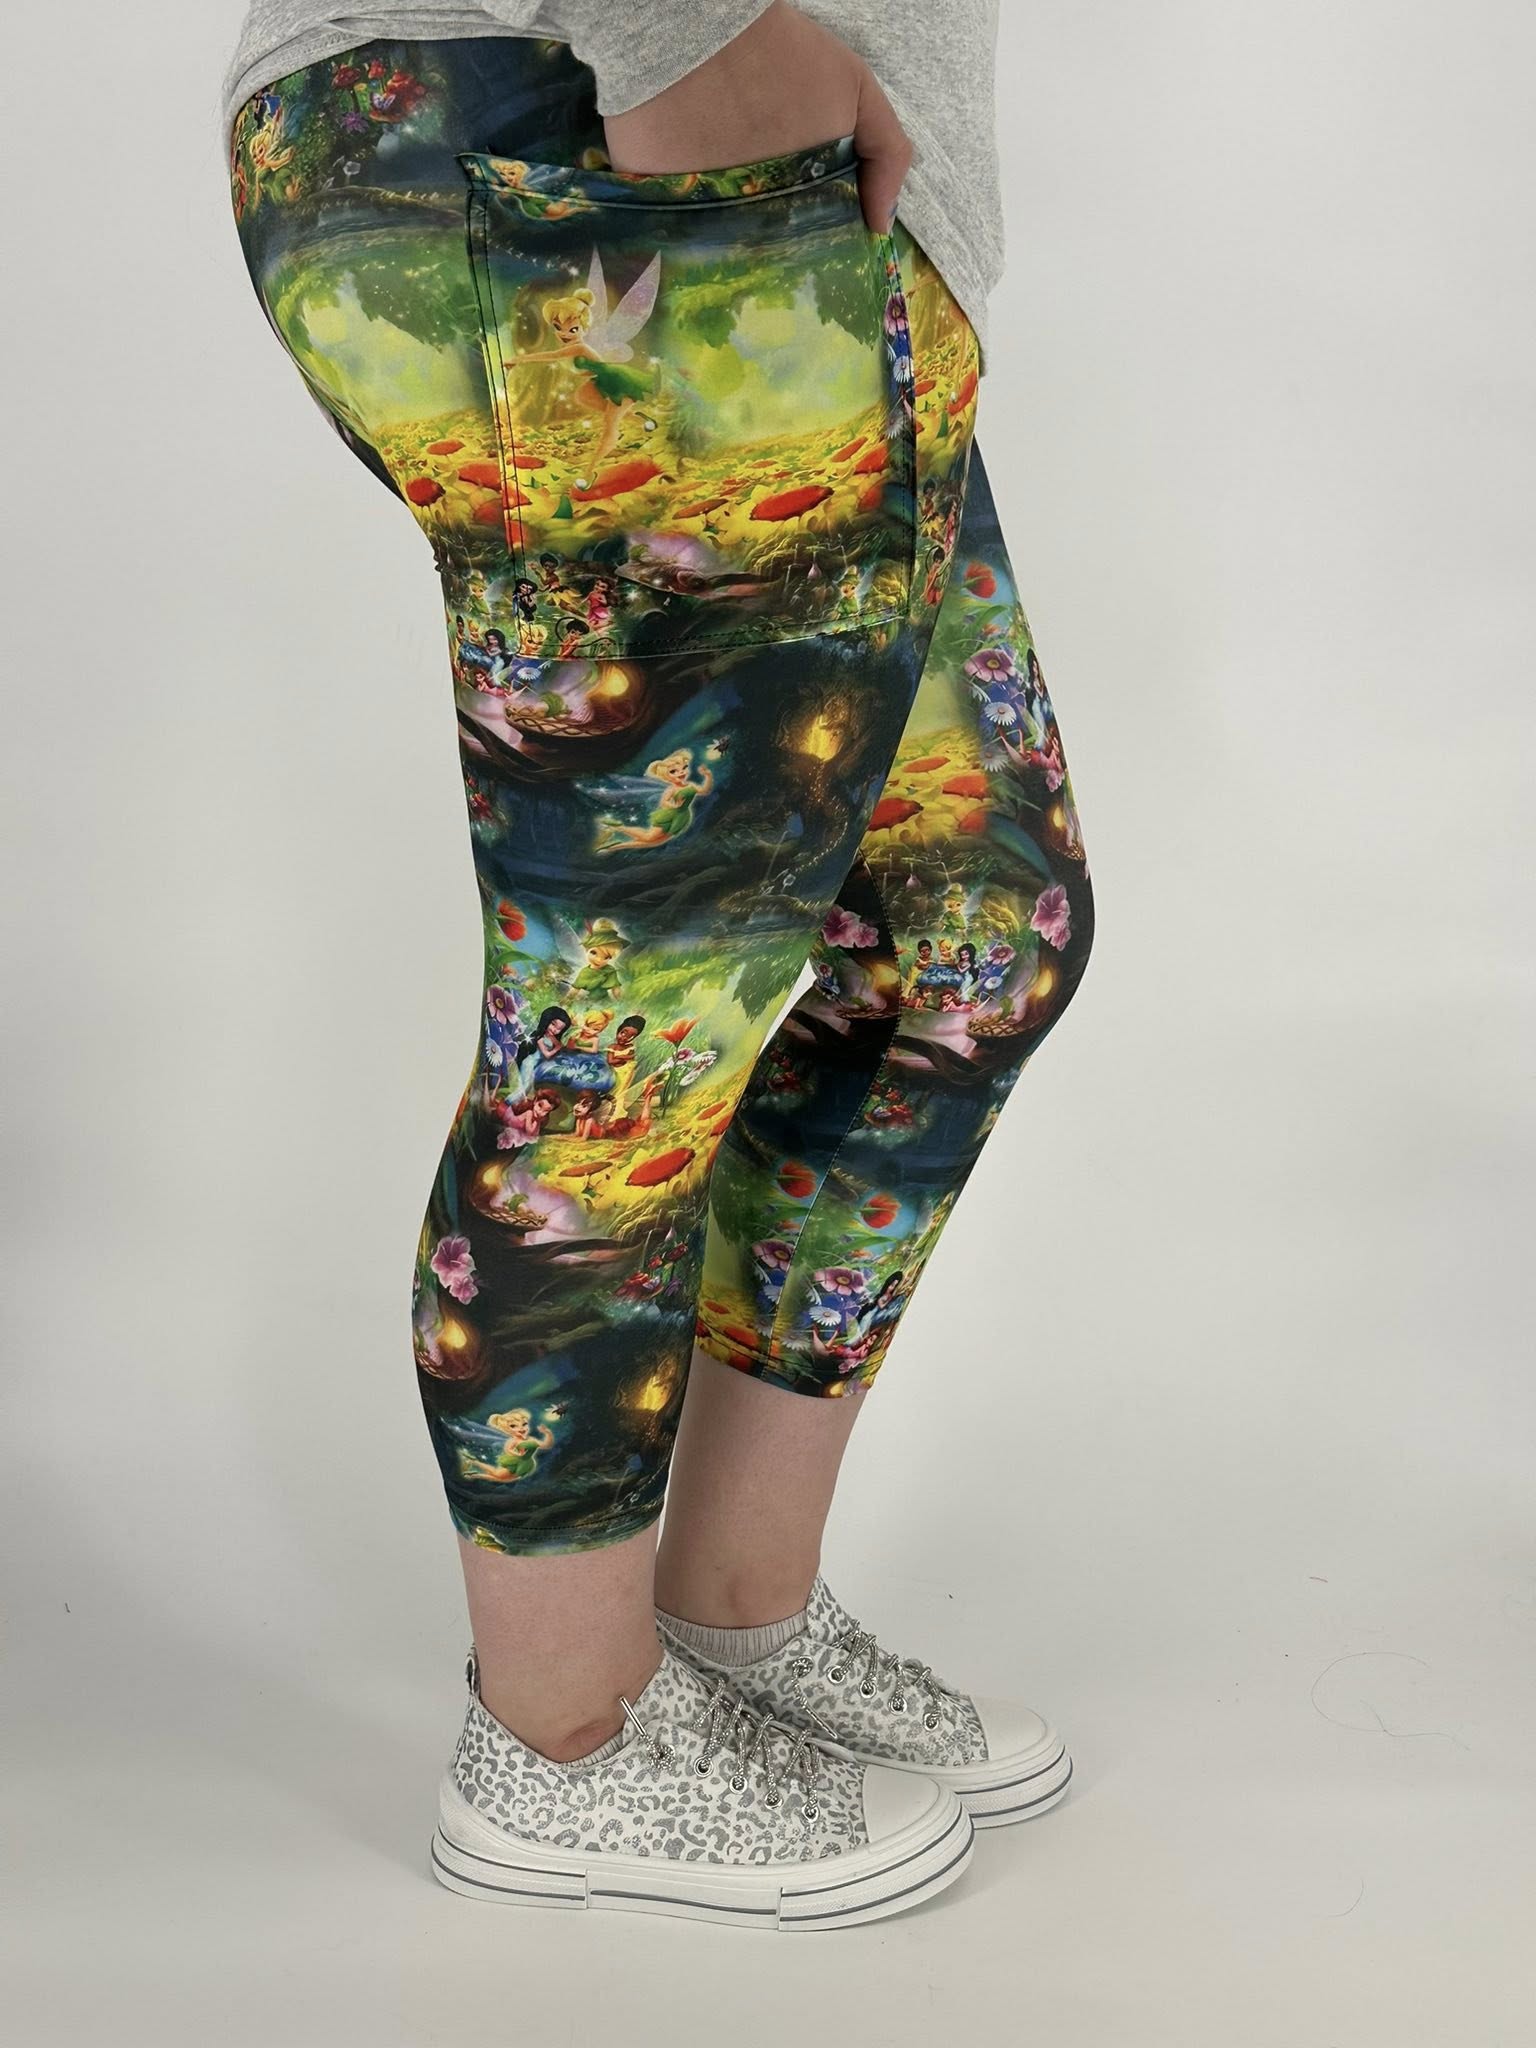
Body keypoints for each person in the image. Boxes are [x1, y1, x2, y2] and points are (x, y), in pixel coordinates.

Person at [224, 0, 1095, 1931]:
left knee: (969, 935)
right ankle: (564, 1738)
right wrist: (687, 31)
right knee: (628, 1024)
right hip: (620, 120)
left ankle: (730, 1618)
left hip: (775, 195)